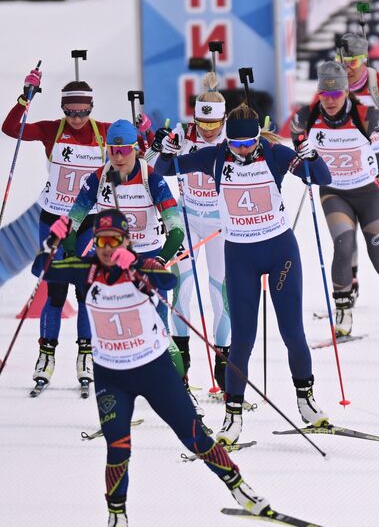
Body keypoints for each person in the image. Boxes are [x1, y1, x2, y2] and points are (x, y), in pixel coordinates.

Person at [60, 210, 274, 527]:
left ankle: (240, 488)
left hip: (154, 369)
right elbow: (44, 269)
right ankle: (117, 518)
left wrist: (136, 267)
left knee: (194, 437)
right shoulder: (86, 274)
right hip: (111, 375)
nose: (106, 248)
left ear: (126, 241)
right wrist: (59, 234)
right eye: (101, 242)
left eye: (114, 240)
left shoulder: (139, 269)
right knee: (117, 448)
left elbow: (169, 281)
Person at [155, 109, 333, 444]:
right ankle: (232, 417)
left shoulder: (275, 154)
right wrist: (168, 148)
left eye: (248, 142)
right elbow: (164, 170)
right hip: (239, 255)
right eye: (235, 143)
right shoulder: (215, 157)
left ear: (257, 138)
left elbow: (321, 178)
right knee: (243, 339)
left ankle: (307, 401)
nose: (241, 150)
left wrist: (313, 156)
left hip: (280, 251)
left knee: (292, 331)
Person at [290, 60, 379, 339]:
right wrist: (307, 162)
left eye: (336, 94)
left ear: (346, 92)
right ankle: (343, 311)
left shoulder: (368, 117)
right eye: (324, 95)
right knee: (344, 244)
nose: (330, 101)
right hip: (334, 192)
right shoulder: (306, 117)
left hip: (370, 192)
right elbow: (296, 136)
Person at [3, 68, 113, 393]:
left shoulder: (103, 131)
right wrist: (25, 97)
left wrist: (147, 133)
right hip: (52, 219)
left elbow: (137, 144)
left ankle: (85, 354)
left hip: (88, 223)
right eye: (70, 112)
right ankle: (46, 356)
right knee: (54, 291)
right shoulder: (52, 130)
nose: (77, 118)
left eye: (83, 112)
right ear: (62, 110)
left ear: (91, 109)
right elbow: (10, 128)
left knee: (85, 292)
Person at [50, 118, 185, 324]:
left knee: (159, 333)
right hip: (109, 259)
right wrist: (71, 254)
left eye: (124, 150)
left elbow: (176, 230)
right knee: (111, 328)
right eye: (113, 150)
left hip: (146, 257)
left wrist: (160, 261)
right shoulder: (99, 177)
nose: (118, 157)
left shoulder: (152, 178)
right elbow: (72, 223)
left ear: (135, 149)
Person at [166, 74, 233, 389]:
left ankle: (224, 366)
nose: (208, 132)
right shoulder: (182, 133)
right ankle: (181, 364)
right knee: (184, 289)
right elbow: (151, 164)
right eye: (202, 126)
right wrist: (161, 148)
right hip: (188, 220)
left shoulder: (232, 137)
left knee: (220, 293)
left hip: (221, 225)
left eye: (214, 126)